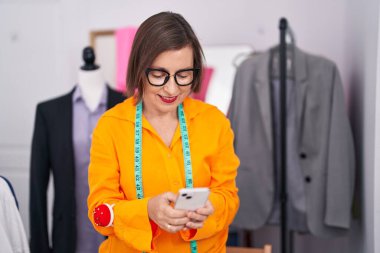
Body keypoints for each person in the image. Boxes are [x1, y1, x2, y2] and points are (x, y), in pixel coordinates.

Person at [87, 11, 240, 252]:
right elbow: (99, 214)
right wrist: (146, 210)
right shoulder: (111, 127)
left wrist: (213, 206)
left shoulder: (215, 122)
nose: (171, 89)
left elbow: (229, 197)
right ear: (140, 69)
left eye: (183, 75)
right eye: (158, 75)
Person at [29, 47, 124, 253]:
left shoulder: (127, 106)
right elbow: (37, 188)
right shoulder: (50, 113)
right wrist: (39, 247)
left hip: (120, 236)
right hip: (68, 236)